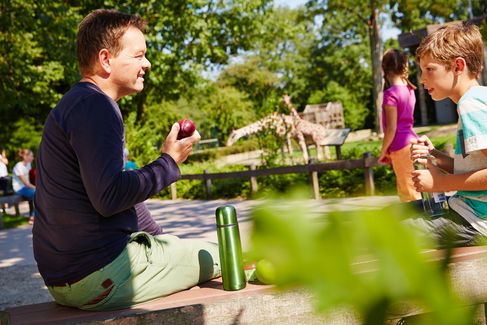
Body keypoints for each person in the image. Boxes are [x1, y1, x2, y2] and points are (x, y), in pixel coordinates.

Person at [33, 9, 220, 311]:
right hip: (101, 275)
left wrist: (165, 243)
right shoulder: (97, 107)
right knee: (224, 253)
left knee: (186, 247)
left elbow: (123, 198)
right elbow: (109, 197)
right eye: (138, 56)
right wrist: (168, 163)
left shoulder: (76, 104)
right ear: (106, 60)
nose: (146, 64)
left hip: (67, 281)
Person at [406, 22, 487, 247]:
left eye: (429, 69)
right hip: (466, 211)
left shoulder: (471, 104)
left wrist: (440, 183)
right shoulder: (479, 98)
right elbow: (475, 168)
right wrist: (435, 155)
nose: (422, 79)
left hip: (475, 222)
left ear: (458, 66)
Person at [379, 49, 421, 202]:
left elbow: (391, 128)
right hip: (412, 141)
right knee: (415, 186)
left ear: (385, 68)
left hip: (399, 146)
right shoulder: (410, 89)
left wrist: (383, 151)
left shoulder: (390, 94)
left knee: (408, 193)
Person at [12, 149, 36, 224]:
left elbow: (29, 180)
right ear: (26, 156)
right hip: (19, 188)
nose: (33, 158)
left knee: (38, 194)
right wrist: (36, 188)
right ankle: (33, 217)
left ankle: (34, 215)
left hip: (26, 188)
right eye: (31, 156)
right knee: (38, 194)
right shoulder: (18, 166)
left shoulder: (28, 165)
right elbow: (25, 183)